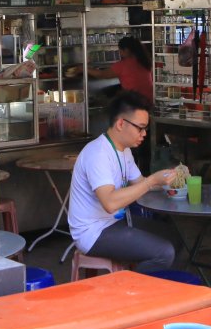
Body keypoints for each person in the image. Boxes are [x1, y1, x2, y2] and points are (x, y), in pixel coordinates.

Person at [68, 92, 176, 272]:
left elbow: (140, 184)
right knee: (163, 252)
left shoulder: (124, 151)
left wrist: (167, 183)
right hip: (93, 233)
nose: (143, 134)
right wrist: (151, 182)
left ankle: (160, 291)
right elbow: (110, 203)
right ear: (120, 123)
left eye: (145, 129)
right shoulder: (98, 153)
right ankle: (132, 294)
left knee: (175, 237)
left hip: (114, 222)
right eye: (140, 128)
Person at [88, 36, 153, 104]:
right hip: (148, 102)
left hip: (135, 105)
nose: (119, 53)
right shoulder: (144, 62)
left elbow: (101, 74)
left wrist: (83, 69)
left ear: (126, 50)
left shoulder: (124, 65)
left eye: (120, 50)